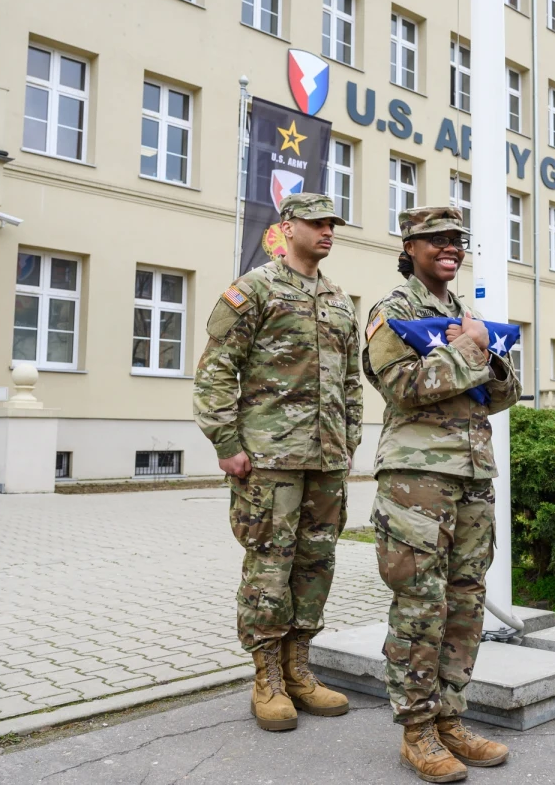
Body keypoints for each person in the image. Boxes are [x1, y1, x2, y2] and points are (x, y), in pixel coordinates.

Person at [362, 206, 520, 783]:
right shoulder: (392, 311)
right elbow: (404, 388)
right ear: (411, 245)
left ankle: (450, 717)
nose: (452, 248)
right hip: (416, 480)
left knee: (465, 602)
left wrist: (480, 348)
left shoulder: (463, 313)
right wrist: (473, 350)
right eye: (439, 240)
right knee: (420, 606)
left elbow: (503, 394)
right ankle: (417, 730)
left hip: (474, 476)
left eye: (458, 240)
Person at [193, 193, 362, 732]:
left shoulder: (338, 299)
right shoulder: (255, 289)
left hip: (326, 460)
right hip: (268, 459)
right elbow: (217, 369)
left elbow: (351, 382)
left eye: (332, 224)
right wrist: (226, 443)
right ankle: (265, 676)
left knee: (316, 564)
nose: (328, 232)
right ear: (288, 228)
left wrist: (349, 439)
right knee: (270, 566)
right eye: (317, 223)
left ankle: (299, 670)